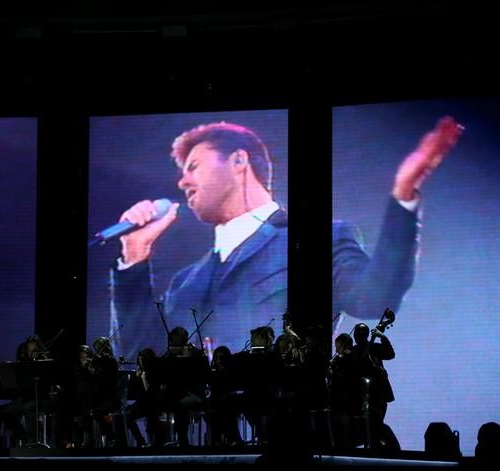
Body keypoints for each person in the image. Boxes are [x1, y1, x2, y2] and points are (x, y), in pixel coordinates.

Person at [109, 118, 463, 358]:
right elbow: (140, 353)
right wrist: (135, 252)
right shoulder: (186, 281)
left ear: (238, 161)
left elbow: (373, 299)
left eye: (193, 167)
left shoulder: (318, 240)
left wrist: (404, 195)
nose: (182, 183)